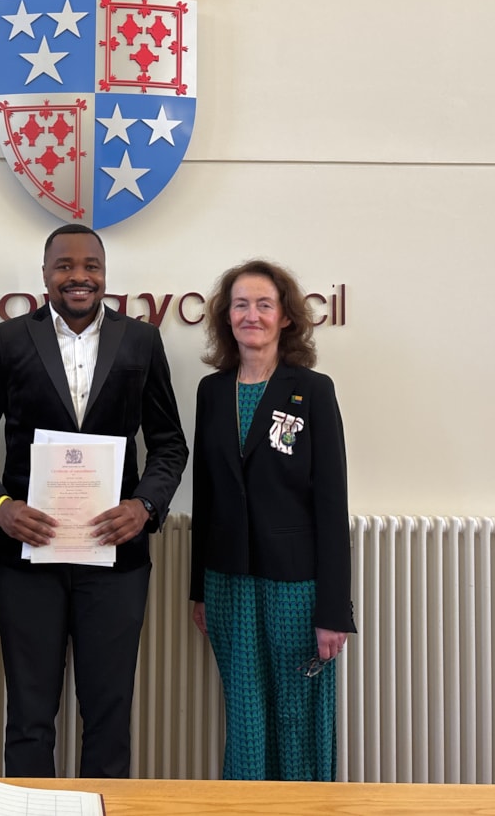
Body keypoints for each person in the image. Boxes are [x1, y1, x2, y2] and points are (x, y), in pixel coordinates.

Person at [0, 223, 188, 778]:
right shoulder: (9, 341)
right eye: (65, 266)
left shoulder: (141, 341)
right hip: (28, 561)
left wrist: (145, 505)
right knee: (30, 717)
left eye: (91, 266)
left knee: (109, 714)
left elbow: (170, 444)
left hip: (115, 559)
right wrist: (0, 507)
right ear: (45, 276)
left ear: (105, 274)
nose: (79, 276)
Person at [189, 258, 355, 781]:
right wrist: (198, 589)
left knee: (297, 717)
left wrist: (334, 610)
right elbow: (206, 496)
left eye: (264, 304)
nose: (251, 315)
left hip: (297, 588)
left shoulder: (313, 390)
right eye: (241, 304)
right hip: (227, 583)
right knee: (244, 717)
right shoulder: (212, 392)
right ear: (226, 316)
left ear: (285, 317)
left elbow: (331, 503)